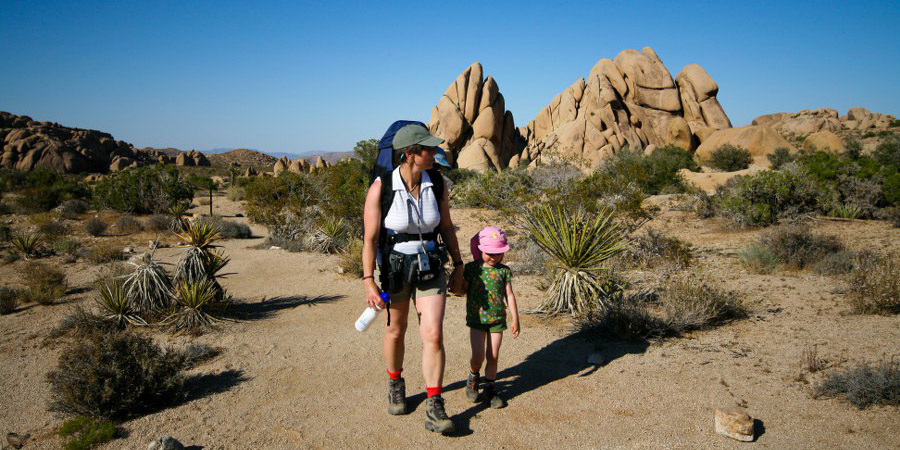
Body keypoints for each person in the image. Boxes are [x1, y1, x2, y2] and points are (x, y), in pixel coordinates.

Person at [361, 123, 465, 434]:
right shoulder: (383, 187)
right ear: (410, 154)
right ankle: (395, 382)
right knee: (396, 331)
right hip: (395, 267)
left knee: (433, 335)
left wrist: (459, 264)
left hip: (431, 264)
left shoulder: (437, 181)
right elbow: (369, 239)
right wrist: (368, 279)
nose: (435, 153)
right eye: (429, 149)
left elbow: (447, 227)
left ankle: (435, 404)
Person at [462, 226, 520, 409]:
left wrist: (515, 318)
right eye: (489, 253)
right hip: (477, 320)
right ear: (479, 250)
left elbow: (509, 295)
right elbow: (462, 289)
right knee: (478, 356)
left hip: (497, 320)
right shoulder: (472, 269)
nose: (494, 258)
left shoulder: (504, 271)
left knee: (493, 355)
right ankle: (473, 376)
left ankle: (490, 388)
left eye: (498, 254)